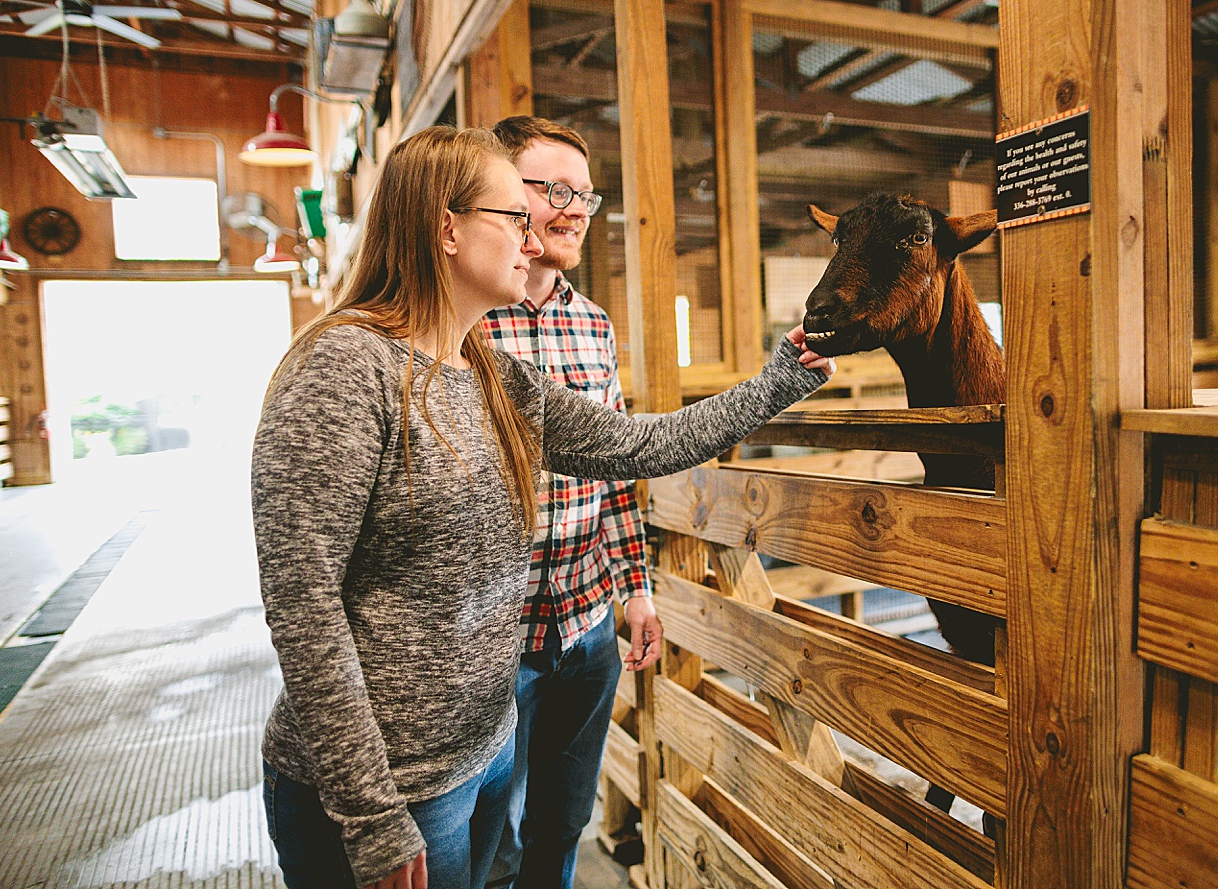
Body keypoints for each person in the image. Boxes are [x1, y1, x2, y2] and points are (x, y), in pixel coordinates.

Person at [251, 125, 834, 889]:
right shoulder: (344, 368)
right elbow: (303, 603)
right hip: (392, 787)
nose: (533, 237)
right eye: (514, 216)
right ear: (447, 228)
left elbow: (635, 446)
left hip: (483, 749)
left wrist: (781, 378)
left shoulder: (488, 373)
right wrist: (371, 814)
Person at [480, 116, 652, 889]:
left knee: (562, 824)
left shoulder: (595, 323)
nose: (576, 207)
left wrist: (637, 590)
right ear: (499, 196)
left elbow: (616, 468)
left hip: (586, 628)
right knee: (488, 837)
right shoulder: (461, 322)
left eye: (584, 192)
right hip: (490, 641)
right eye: (553, 189)